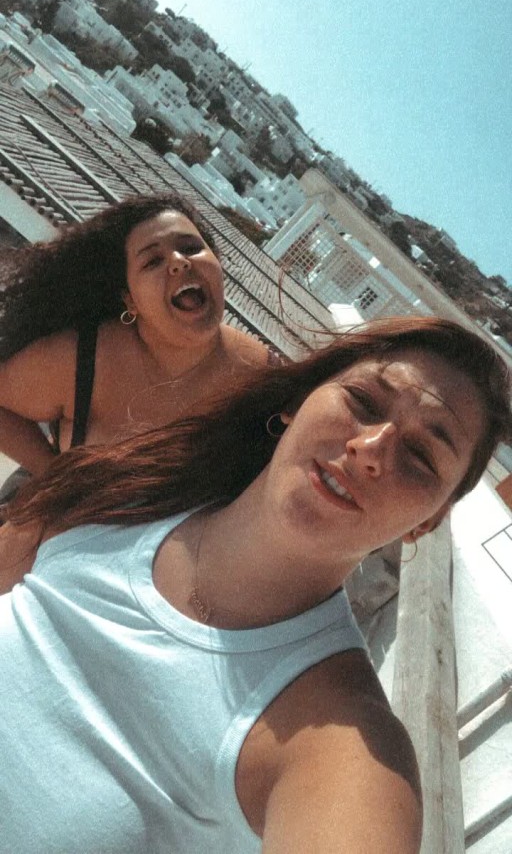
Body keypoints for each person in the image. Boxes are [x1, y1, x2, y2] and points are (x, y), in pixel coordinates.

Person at [0, 316, 510, 853]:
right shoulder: (124, 489)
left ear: (426, 523)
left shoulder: (338, 739)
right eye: (362, 401)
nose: (371, 448)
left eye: (421, 456)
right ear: (298, 401)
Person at [0, 190, 272, 480]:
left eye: (191, 247)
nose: (179, 261)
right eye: (152, 261)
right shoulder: (84, 359)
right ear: (130, 300)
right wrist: (53, 478)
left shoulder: (263, 380)